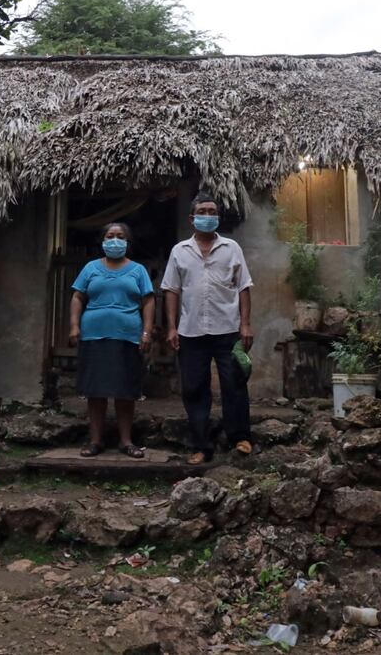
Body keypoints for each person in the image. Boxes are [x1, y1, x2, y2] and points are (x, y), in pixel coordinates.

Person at [161, 192, 254, 465]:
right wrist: (171, 327)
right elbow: (171, 290)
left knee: (234, 384)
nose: (208, 216)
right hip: (191, 331)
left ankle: (240, 437)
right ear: (192, 218)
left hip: (228, 329)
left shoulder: (231, 248)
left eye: (212, 212)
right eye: (202, 211)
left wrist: (245, 324)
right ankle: (202, 445)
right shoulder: (179, 251)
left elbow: (244, 287)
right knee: (194, 389)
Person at [69, 222, 155, 458]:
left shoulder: (138, 270)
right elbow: (78, 297)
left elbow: (148, 301)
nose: (115, 240)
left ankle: (126, 441)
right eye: (110, 236)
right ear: (103, 241)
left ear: (127, 242)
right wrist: (74, 326)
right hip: (93, 335)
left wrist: (146, 332)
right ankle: (95, 441)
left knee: (125, 390)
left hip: (127, 336)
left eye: (120, 236)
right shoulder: (90, 268)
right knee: (95, 390)